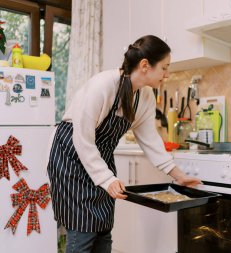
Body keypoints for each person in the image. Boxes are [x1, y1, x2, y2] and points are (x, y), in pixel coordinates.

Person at [47, 35, 201, 253]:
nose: (167, 74)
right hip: (71, 156)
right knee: (82, 232)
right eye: (164, 68)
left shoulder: (145, 96)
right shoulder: (103, 84)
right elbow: (82, 138)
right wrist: (106, 178)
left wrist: (179, 176)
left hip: (101, 159)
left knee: (103, 230)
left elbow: (151, 141)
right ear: (145, 65)